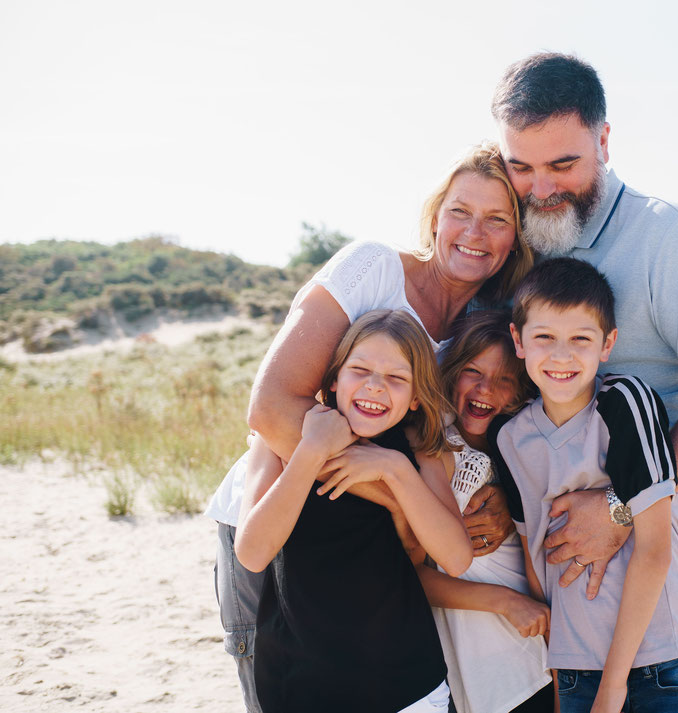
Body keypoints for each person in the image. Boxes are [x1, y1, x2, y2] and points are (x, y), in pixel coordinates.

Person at [489, 53, 678, 713]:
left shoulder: (664, 234)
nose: (540, 188)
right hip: (570, 577)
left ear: (604, 140)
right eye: (521, 166)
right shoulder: (519, 245)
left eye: (563, 164)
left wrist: (620, 509)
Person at [204, 141, 532, 711]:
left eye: (496, 219)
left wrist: (499, 498)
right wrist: (402, 505)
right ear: (435, 216)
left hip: (378, 553)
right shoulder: (372, 268)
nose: (474, 232)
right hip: (284, 517)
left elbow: (465, 435)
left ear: (515, 237)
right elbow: (273, 408)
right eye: (460, 211)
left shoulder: (486, 325)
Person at [489, 258, 678, 713]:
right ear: (518, 340)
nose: (562, 355)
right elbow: (534, 556)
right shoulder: (511, 438)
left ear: (607, 344)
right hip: (572, 665)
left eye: (581, 340)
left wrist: (613, 686)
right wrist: (557, 662)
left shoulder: (625, 402)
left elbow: (655, 548)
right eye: (544, 336)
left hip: (657, 661)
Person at [235, 309, 471, 712]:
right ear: (333, 378)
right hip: (300, 685)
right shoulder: (282, 438)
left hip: (405, 686)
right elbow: (253, 553)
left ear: (416, 397)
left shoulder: (419, 451)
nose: (376, 387)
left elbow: (456, 558)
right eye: (359, 369)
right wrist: (312, 450)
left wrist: (393, 469)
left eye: (397, 378)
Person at [412, 310, 554, 713]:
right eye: (473, 371)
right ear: (451, 372)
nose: (487, 389)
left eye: (505, 378)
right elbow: (415, 574)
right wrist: (504, 601)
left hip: (535, 643)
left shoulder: (520, 445)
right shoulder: (435, 448)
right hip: (490, 643)